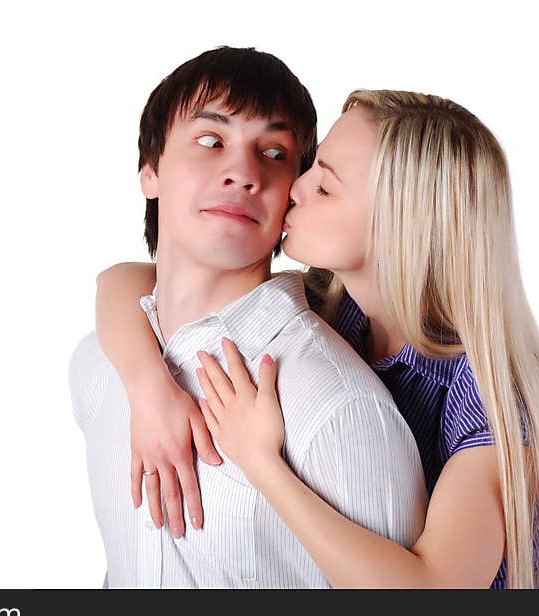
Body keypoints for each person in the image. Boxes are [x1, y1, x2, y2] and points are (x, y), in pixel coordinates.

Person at [96, 89, 539, 588]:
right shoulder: (333, 305)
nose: (293, 188)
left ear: (398, 225)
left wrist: (261, 463)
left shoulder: (490, 393)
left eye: (324, 187)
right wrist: (149, 387)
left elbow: (431, 592)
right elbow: (125, 281)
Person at [69, 46, 427, 588]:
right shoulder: (98, 364)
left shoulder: (334, 402)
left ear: (294, 196)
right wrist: (147, 384)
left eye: (276, 154)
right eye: (211, 141)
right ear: (150, 171)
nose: (242, 171)